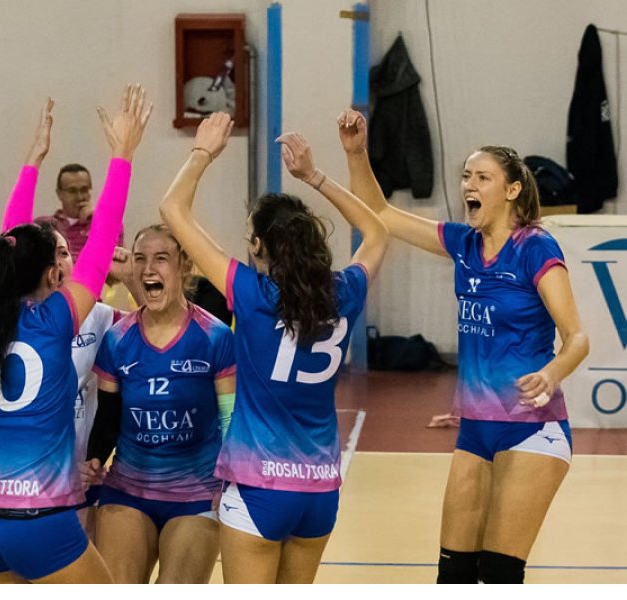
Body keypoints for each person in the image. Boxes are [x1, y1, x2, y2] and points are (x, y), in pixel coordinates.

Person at [339, 109, 589, 583]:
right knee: (452, 576)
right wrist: (356, 153)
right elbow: (381, 214)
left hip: (532, 429)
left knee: (498, 575)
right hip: (476, 430)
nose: (469, 185)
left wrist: (551, 373)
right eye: (466, 176)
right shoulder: (463, 243)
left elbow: (577, 337)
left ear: (512, 190)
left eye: (482, 177)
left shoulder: (535, 247)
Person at [159, 112, 389, 584]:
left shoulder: (252, 293)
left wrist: (202, 153)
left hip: (259, 484)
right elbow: (378, 231)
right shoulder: (345, 292)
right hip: (319, 490)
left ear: (260, 245)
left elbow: (172, 209)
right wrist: (314, 176)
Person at [0, 84, 151, 584]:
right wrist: (123, 155)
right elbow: (103, 239)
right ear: (52, 274)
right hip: (40, 518)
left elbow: (11, 242)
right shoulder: (52, 322)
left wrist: (32, 160)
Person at [86, 224, 235, 584]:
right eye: (140, 259)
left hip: (198, 494)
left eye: (161, 258)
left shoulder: (215, 337)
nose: (148, 268)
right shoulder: (117, 340)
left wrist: (232, 484)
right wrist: (92, 462)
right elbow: (107, 419)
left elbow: (231, 421)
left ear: (184, 266)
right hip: (128, 489)